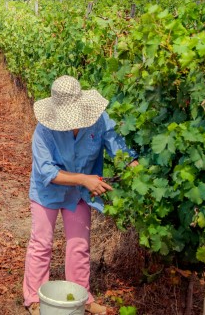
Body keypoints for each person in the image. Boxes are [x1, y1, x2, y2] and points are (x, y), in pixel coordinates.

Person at [23, 76, 138, 315]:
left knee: (79, 245)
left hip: (78, 194)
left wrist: (135, 168)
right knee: (42, 243)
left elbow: (119, 147)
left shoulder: (99, 120)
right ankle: (34, 298)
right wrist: (84, 179)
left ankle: (81, 298)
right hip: (48, 191)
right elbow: (47, 171)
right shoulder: (44, 129)